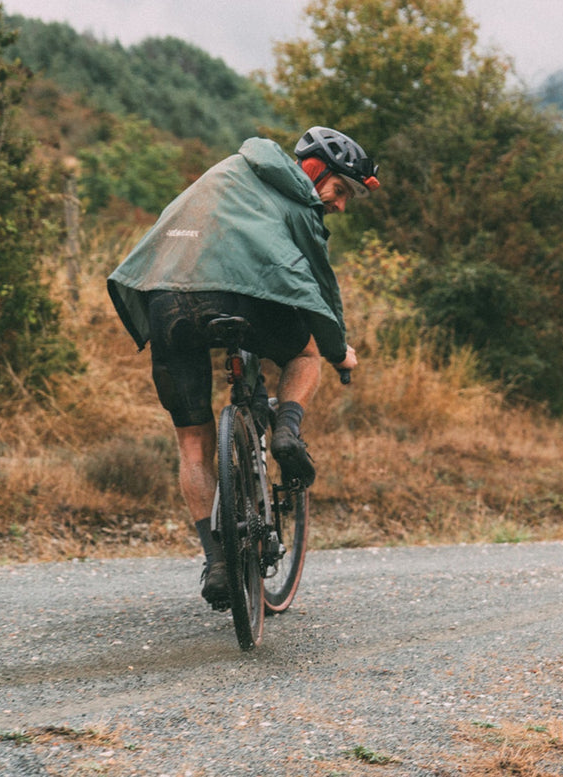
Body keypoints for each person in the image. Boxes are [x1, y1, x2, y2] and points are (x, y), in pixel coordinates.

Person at [107, 126, 377, 609]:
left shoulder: (228, 169)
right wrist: (339, 351)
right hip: (235, 299)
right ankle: (289, 433)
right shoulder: (299, 203)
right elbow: (322, 291)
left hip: (164, 300)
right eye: (339, 191)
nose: (338, 205)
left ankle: (219, 564)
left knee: (193, 445)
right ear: (315, 172)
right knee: (306, 352)